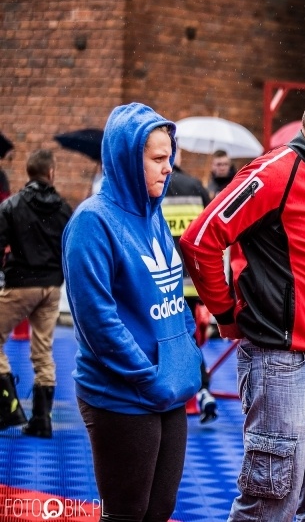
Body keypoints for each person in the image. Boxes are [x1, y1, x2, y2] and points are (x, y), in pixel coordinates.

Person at [180, 78, 305, 521]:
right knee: (270, 505)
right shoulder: (275, 171)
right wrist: (226, 314)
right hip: (285, 367)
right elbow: (201, 240)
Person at [62, 103, 202, 521]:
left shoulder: (154, 216)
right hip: (121, 394)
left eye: (170, 158)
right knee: (126, 513)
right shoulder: (93, 222)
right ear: (126, 159)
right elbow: (96, 322)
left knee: (160, 510)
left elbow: (173, 299)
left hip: (168, 388)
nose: (168, 169)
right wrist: (148, 377)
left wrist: (186, 355)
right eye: (158, 159)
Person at [0, 149, 72, 437]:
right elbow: (70, 249)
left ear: (29, 173)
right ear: (51, 172)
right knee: (43, 352)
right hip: (52, 287)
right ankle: (42, 420)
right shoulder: (65, 209)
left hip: (21, 284)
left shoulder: (12, 206)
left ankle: (9, 407)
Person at [161, 145, 217, 424]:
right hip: (192, 282)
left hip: (162, 283)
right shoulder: (196, 187)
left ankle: (189, 391)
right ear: (178, 156)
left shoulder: (153, 186)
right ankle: (201, 390)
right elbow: (209, 236)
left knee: (171, 342)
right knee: (190, 339)